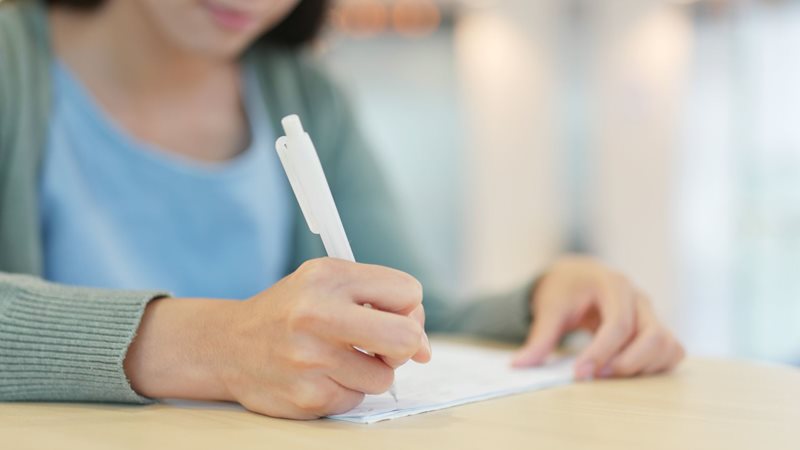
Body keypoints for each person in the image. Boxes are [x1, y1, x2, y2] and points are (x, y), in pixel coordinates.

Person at [0, 0, 684, 420]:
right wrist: (220, 346)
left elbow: (407, 320)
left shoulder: (306, 95)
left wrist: (539, 306)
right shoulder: (13, 64)